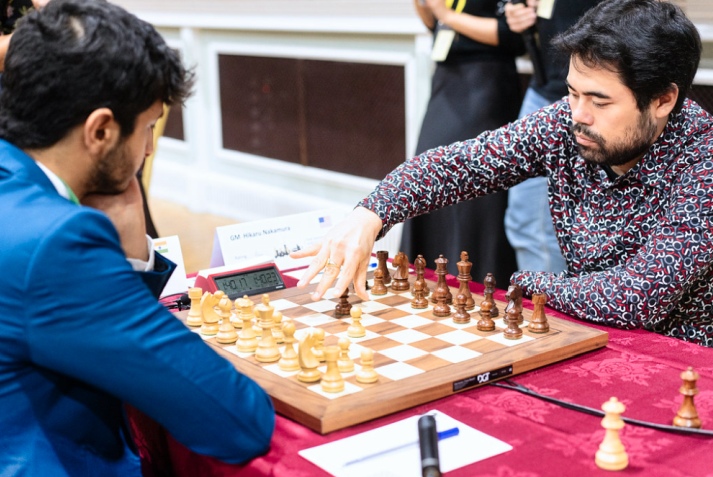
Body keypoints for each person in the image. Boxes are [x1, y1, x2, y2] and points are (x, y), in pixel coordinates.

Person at [292, 0, 713, 347]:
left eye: (600, 102)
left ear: (662, 100)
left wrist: (529, 282)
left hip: (679, 361)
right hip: (586, 337)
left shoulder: (704, 164)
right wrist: (371, 214)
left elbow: (634, 297)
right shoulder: (564, 124)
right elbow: (460, 164)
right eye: (571, 93)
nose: (578, 116)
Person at [0, 1, 274, 475]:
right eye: (148, 128)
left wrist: (132, 256)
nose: (149, 149)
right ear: (101, 130)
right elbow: (237, 421)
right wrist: (126, 253)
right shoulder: (57, 243)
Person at [400, 0, 524, 286]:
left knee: (478, 192)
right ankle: (429, 277)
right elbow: (434, 24)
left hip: (486, 82)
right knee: (428, 172)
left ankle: (483, 282)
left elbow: (512, 36)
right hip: (446, 79)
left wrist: (446, 14)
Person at [503, 0, 602, 273]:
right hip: (545, 87)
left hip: (599, 88)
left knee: (540, 227)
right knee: (527, 222)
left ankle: (551, 313)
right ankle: (545, 309)